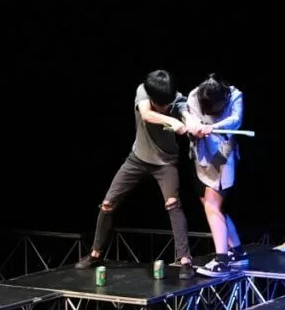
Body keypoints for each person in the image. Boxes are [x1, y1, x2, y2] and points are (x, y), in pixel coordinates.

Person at [75, 70, 196, 279]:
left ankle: (185, 260)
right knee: (107, 204)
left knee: (173, 204)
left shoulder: (177, 100)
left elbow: (186, 113)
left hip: (165, 163)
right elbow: (146, 114)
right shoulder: (143, 92)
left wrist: (193, 124)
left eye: (166, 105)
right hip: (137, 159)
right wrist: (173, 122)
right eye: (160, 104)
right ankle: (96, 254)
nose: (164, 108)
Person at [182, 73, 248, 277]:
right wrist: (194, 127)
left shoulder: (235, 95)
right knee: (210, 204)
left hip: (223, 152)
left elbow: (235, 120)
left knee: (212, 204)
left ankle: (222, 261)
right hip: (202, 154)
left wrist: (213, 127)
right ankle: (237, 251)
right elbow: (190, 116)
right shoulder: (194, 95)